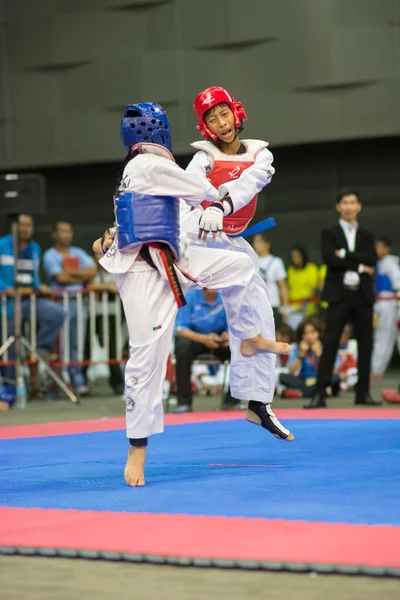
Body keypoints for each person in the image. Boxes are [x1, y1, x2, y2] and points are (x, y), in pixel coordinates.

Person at [94, 102, 293, 487]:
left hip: (176, 254)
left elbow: (144, 209)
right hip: (146, 272)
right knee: (146, 358)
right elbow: (203, 190)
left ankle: (249, 340)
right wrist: (220, 202)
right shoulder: (151, 164)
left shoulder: (136, 166)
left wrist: (221, 203)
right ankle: (137, 448)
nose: (222, 123)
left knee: (242, 268)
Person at [181, 86, 291, 435]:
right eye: (211, 118)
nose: (220, 122)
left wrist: (220, 206)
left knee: (258, 306)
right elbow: (185, 188)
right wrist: (204, 211)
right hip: (194, 236)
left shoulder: (261, 155)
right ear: (206, 128)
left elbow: (248, 184)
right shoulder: (203, 157)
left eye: (223, 113)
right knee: (159, 291)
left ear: (236, 112)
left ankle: (258, 402)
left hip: (229, 239)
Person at [304, 189, 381, 408]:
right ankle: (319, 394)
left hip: (362, 295)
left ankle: (363, 393)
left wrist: (345, 254)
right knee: (329, 343)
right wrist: (358, 265)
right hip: (338, 295)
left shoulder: (366, 235)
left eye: (353, 202)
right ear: (338, 207)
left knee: (366, 344)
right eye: (344, 202)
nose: (348, 206)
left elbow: (372, 259)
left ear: (359, 206)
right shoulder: (329, 232)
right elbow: (330, 258)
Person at [0, 214, 65, 400]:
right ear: (15, 227)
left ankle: (39, 349)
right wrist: (6, 289)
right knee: (10, 345)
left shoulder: (35, 248)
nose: (26, 229)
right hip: (8, 305)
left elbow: (33, 276)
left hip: (29, 301)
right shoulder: (2, 245)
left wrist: (40, 286)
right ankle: (9, 389)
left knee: (57, 313)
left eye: (29, 225)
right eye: (22, 225)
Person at [43, 222, 97, 396]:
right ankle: (61, 381)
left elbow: (92, 271)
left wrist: (70, 273)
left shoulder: (78, 252)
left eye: (69, 231)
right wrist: (78, 277)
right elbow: (60, 278)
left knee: (77, 344)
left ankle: (78, 381)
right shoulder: (50, 255)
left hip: (78, 302)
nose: (66, 235)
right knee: (61, 345)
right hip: (59, 304)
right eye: (62, 231)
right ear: (54, 234)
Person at [174, 288, 235, 411]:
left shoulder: (227, 297)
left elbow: (235, 324)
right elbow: (180, 329)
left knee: (239, 346)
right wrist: (204, 339)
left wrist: (228, 336)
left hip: (219, 342)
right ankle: (184, 402)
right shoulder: (189, 296)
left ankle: (232, 401)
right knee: (182, 345)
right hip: (196, 340)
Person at [280, 318, 340, 399]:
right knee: (282, 377)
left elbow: (335, 371)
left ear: (318, 333)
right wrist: (300, 356)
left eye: (312, 332)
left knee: (335, 378)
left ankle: (302, 393)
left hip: (321, 380)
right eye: (305, 333)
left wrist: (319, 354)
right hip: (304, 381)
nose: (309, 336)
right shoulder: (297, 347)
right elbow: (290, 371)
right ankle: (319, 392)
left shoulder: (326, 347)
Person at [371, 235, 400, 378]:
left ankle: (376, 369)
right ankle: (377, 369)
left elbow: (398, 283)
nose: (376, 250)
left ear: (386, 249)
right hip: (382, 304)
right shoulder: (379, 263)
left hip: (390, 303)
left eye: (379, 247)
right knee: (383, 338)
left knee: (383, 337)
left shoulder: (390, 263)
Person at [252, 232, 289, 328]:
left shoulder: (276, 262)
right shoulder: (251, 261)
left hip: (273, 304)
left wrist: (285, 310)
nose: (256, 244)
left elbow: (283, 287)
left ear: (267, 244)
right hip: (255, 306)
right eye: (255, 241)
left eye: (259, 241)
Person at [287, 246, 319, 329]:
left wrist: (303, 305)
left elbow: (313, 290)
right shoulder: (291, 270)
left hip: (307, 308)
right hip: (293, 309)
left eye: (298, 256)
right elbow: (288, 289)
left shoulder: (311, 268)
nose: (295, 259)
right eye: (293, 257)